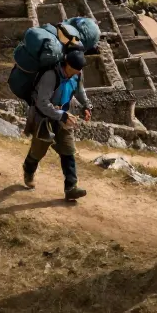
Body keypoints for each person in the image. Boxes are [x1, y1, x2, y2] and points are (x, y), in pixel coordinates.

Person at [23, 48, 92, 202]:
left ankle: (71, 188)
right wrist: (61, 115)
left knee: (68, 151)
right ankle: (28, 170)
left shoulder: (77, 74)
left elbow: (80, 91)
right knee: (38, 152)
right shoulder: (50, 76)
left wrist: (87, 106)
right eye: (75, 69)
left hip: (64, 118)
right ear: (67, 64)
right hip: (44, 118)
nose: (77, 73)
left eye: (79, 70)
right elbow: (42, 103)